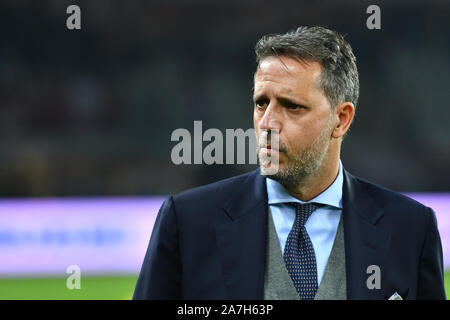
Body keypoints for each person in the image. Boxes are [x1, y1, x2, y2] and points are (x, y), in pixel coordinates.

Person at [133, 26, 446, 300]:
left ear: (341, 119)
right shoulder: (187, 224)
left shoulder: (410, 230)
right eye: (261, 103)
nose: (267, 123)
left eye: (291, 106)